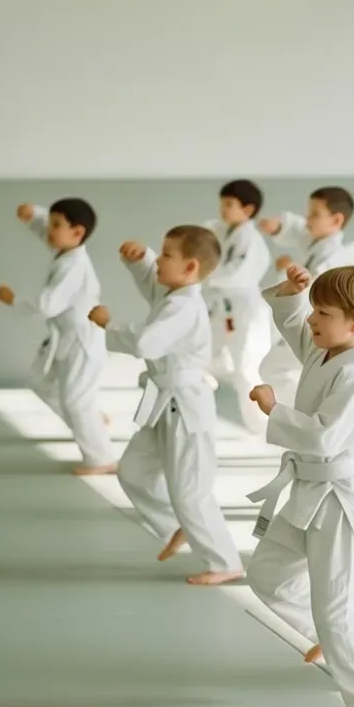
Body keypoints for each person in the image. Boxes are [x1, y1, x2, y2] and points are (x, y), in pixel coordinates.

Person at [245, 263, 354, 707]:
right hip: (309, 488)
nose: (312, 319)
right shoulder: (326, 349)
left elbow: (326, 437)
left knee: (341, 607)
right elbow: (292, 322)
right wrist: (292, 294)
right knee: (268, 574)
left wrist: (275, 408)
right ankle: (326, 639)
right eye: (314, 309)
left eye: (322, 312)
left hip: (340, 496)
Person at [89, 227, 243, 586]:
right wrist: (139, 260)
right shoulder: (175, 295)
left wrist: (108, 324)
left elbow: (146, 343)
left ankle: (225, 562)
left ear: (189, 267)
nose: (159, 259)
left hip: (186, 407)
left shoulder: (182, 307)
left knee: (190, 490)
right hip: (165, 404)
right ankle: (179, 526)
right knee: (134, 471)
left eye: (165, 254)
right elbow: (153, 285)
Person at [0, 199, 116, 475]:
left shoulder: (72, 266)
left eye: (56, 225)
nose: (49, 231)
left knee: (75, 401)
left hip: (82, 339)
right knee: (39, 381)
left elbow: (46, 304)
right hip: (63, 336)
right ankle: (93, 422)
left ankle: (101, 459)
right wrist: (33, 216)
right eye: (49, 223)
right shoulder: (66, 249)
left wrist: (13, 300)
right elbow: (48, 232)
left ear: (77, 232)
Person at [256, 186, 354, 406]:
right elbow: (297, 230)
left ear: (336, 221)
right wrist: (278, 227)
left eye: (314, 214)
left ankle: (301, 413)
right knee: (275, 368)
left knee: (273, 368)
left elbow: (316, 287)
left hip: (323, 331)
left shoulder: (333, 256)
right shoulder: (317, 241)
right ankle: (301, 412)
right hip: (314, 327)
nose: (307, 219)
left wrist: (289, 269)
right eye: (308, 212)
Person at [202, 179, 273, 433]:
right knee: (203, 357)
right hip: (223, 308)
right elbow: (206, 234)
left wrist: (203, 272)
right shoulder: (224, 230)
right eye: (222, 204)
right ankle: (201, 410)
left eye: (229, 205)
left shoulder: (250, 239)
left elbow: (234, 273)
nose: (223, 209)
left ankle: (262, 426)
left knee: (246, 367)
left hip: (244, 309)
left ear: (248, 209)